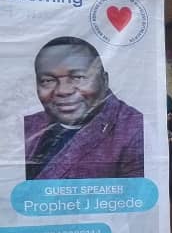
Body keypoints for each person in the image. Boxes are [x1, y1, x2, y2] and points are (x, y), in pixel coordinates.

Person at [24, 36, 144, 180]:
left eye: (78, 77)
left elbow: (136, 198)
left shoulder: (134, 129)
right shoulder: (27, 126)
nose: (63, 90)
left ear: (104, 81)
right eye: (48, 80)